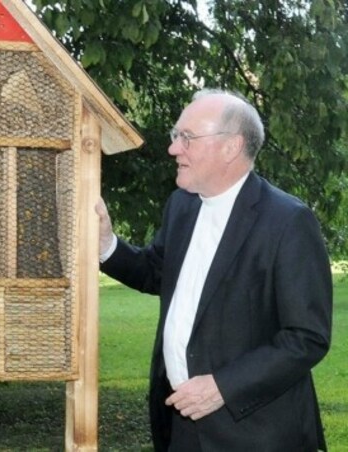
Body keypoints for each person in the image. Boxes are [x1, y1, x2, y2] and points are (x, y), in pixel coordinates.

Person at [96, 88, 332, 451]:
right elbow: (155, 271)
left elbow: (306, 337)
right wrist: (107, 245)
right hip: (181, 428)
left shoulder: (288, 221)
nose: (174, 149)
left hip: (258, 434)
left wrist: (222, 387)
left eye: (186, 138)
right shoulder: (181, 206)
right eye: (176, 136)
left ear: (231, 147)